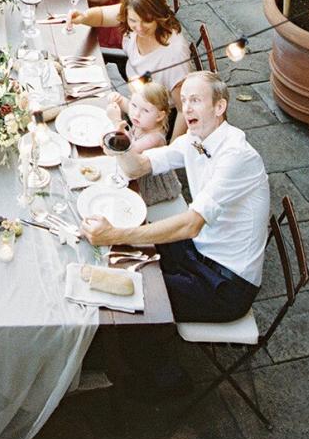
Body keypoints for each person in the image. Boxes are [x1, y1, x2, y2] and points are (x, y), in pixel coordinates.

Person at [82, 71, 270, 325]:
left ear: (219, 106)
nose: (186, 107)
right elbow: (137, 168)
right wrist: (121, 146)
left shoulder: (237, 156)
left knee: (128, 292)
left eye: (195, 100)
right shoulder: (193, 140)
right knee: (118, 256)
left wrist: (114, 233)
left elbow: (191, 224)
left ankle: (126, 354)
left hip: (226, 283)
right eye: (183, 100)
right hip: (197, 250)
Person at [72, 0, 192, 117]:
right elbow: (102, 16)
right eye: (133, 20)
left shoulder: (174, 55)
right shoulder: (132, 13)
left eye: (146, 21)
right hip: (130, 88)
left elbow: (183, 110)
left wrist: (172, 140)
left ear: (158, 15)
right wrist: (82, 17)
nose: (139, 28)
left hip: (149, 113)